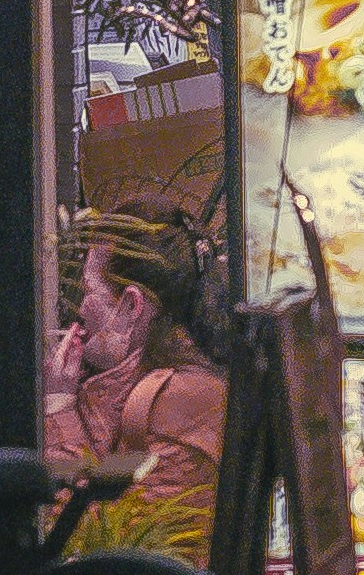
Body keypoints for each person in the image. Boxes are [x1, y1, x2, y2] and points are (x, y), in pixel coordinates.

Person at [44, 203, 232, 555]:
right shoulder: (151, 388)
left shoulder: (179, 400)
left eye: (88, 290)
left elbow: (93, 546)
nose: (80, 307)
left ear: (131, 306)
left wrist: (59, 409)